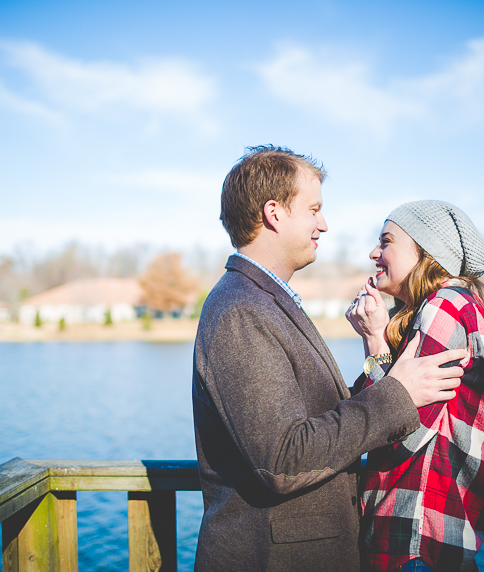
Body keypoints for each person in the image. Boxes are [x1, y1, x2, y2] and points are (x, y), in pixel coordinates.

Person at [192, 147, 469, 572]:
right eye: (314, 209)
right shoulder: (240, 311)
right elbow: (284, 460)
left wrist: (379, 354)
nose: (324, 224)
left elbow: (324, 416)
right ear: (274, 213)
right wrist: (399, 394)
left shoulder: (266, 301)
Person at [345, 200, 484, 572]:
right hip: (422, 544)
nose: (374, 253)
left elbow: (398, 430)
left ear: (425, 251)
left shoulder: (446, 306)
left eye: (386, 242)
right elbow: (394, 406)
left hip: (415, 542)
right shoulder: (445, 308)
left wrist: (374, 341)